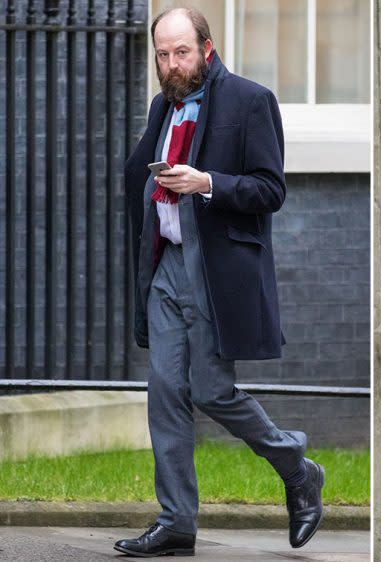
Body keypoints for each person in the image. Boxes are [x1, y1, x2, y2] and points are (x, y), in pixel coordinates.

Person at [115, 7, 324, 557]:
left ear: (207, 47)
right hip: (165, 269)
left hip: (212, 269)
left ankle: (297, 467)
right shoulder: (164, 107)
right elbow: (138, 175)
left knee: (210, 390)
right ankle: (176, 519)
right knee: (164, 392)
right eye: (162, 54)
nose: (171, 63)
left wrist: (207, 182)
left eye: (181, 51)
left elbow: (270, 189)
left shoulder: (250, 101)